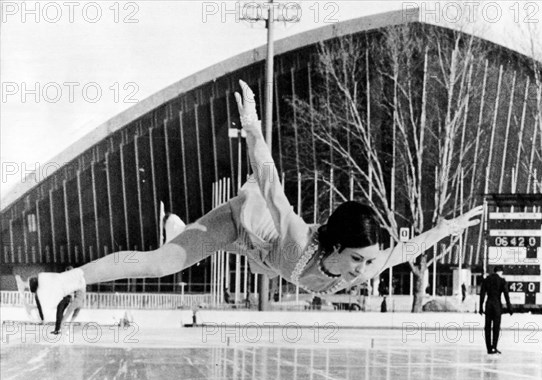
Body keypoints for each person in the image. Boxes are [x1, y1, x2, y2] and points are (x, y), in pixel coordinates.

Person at [26, 80, 483, 321]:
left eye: (367, 263)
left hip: (263, 259)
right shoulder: (298, 234)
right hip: (245, 222)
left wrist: (446, 229)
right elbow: (268, 179)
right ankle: (61, 281)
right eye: (360, 261)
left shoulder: (362, 264)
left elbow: (405, 250)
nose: (366, 271)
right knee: (164, 262)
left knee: (250, 261)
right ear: (336, 248)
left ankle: (180, 230)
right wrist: (251, 125)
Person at [479, 265, 513, 355]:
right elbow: (506, 295)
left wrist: (480, 307)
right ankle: (494, 347)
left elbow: (482, 294)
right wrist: (510, 308)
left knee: (487, 327)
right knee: (496, 327)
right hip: (497, 305)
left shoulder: (486, 280)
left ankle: (489, 349)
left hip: (488, 305)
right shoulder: (502, 281)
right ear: (501, 272)